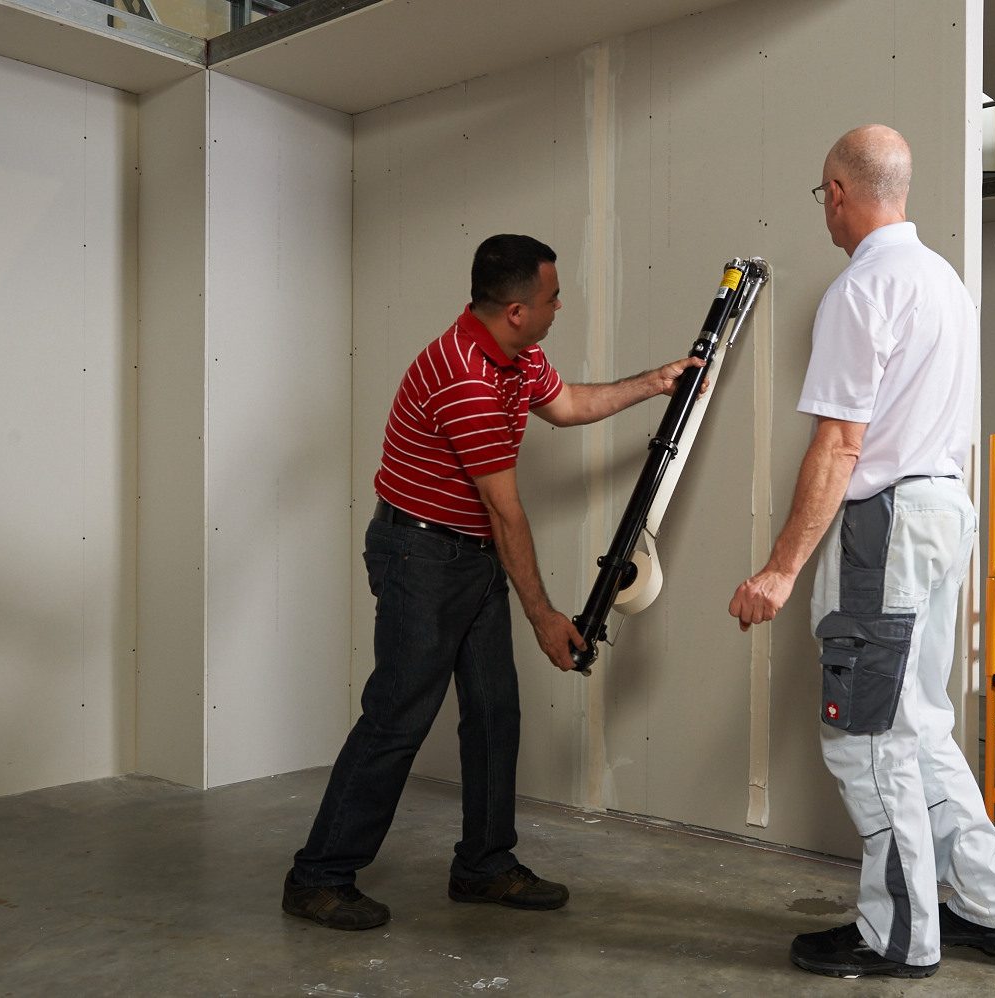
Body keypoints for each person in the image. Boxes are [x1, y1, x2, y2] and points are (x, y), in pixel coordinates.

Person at [284, 233, 703, 930]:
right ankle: (318, 876)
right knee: (398, 717)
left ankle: (483, 864)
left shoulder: (516, 353)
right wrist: (544, 617)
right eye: (551, 297)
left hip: (469, 554)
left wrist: (655, 382)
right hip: (420, 558)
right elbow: (507, 513)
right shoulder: (466, 379)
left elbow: (566, 405)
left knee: (493, 710)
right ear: (515, 310)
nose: (559, 306)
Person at [728, 126, 995, 979]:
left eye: (821, 194)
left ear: (837, 191)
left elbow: (838, 445)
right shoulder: (942, 281)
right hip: (944, 512)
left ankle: (897, 935)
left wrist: (782, 568)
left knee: (866, 738)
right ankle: (987, 904)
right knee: (919, 723)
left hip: (887, 525)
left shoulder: (862, 289)